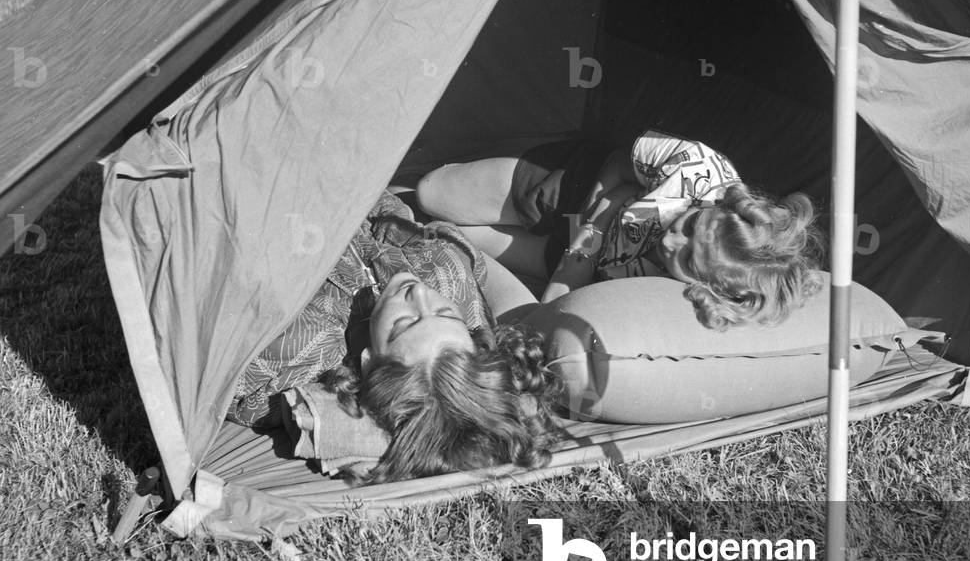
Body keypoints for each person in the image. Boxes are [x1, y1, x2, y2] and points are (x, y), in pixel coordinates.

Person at [228, 190, 559, 483]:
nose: (420, 296)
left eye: (405, 323)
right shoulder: (448, 282)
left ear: (370, 362)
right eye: (444, 314)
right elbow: (449, 246)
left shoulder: (307, 342)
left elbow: (230, 393)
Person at [416, 129, 824, 329]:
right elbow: (618, 166)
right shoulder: (696, 167)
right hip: (578, 189)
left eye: (684, 257)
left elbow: (568, 288)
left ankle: (380, 205)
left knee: (445, 233)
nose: (670, 238)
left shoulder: (694, 303)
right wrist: (596, 218)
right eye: (691, 224)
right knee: (431, 194)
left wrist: (577, 260)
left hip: (581, 257)